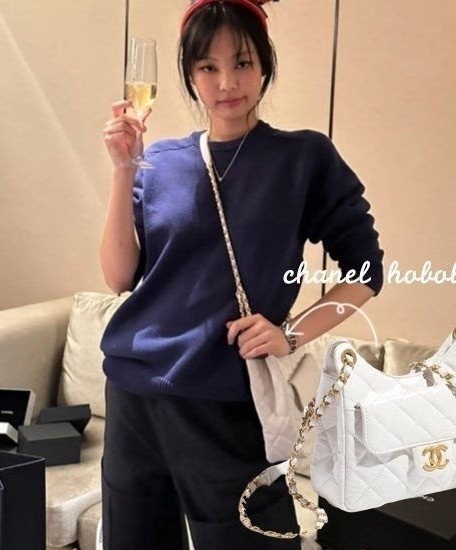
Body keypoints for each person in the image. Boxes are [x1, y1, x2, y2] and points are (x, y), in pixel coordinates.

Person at [100, 0, 384, 548]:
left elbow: (366, 270)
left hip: (226, 403)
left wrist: (290, 334)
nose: (227, 82)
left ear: (265, 64)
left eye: (243, 62)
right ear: (189, 74)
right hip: (134, 396)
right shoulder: (162, 162)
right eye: (208, 66)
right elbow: (119, 277)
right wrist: (123, 169)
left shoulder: (302, 158)